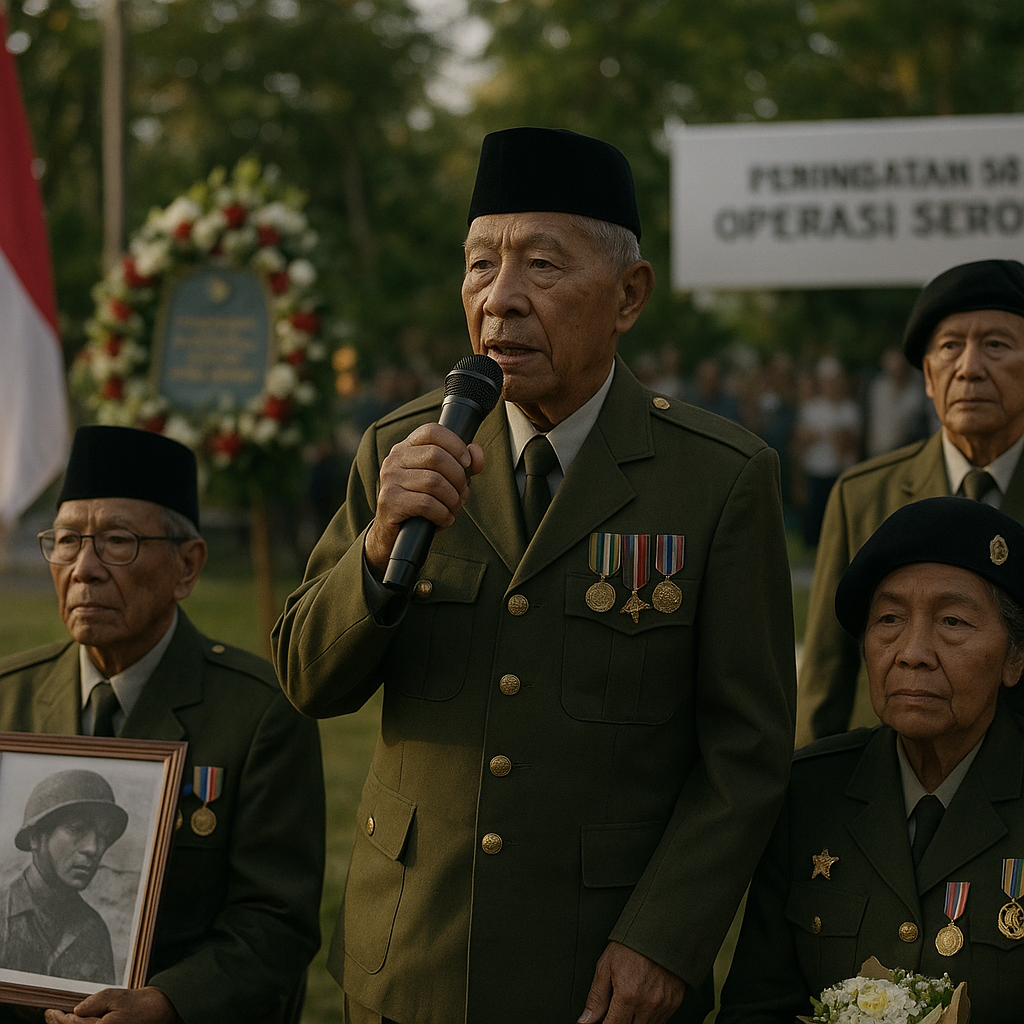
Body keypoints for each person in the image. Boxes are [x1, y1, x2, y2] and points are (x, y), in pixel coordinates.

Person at [273, 126, 796, 1024]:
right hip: (413, 958)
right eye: (481, 265)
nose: (500, 299)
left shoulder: (718, 478)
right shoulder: (404, 447)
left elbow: (746, 754)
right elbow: (306, 678)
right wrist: (380, 546)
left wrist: (664, 938)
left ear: (629, 295)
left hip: (597, 974)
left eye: (542, 266)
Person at [0, 425, 325, 1024]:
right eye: (66, 541)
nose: (84, 569)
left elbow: (275, 924)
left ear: (187, 565)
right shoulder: (8, 697)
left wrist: (169, 1003)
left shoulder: (257, 715)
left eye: (118, 541)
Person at [719, 496, 1024, 1022]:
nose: (912, 652)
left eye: (953, 621)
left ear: (1015, 657)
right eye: (889, 619)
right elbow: (757, 1007)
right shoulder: (810, 793)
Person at [798, 259, 1024, 744]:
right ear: (927, 377)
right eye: (949, 347)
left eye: (996, 345)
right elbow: (825, 675)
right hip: (887, 774)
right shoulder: (863, 495)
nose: (969, 369)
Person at [0, 770, 128, 985]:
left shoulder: (94, 929)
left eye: (103, 836)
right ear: (36, 837)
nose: (93, 848)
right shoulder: (3, 909)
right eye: (76, 829)